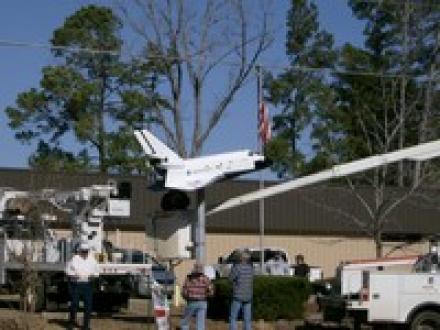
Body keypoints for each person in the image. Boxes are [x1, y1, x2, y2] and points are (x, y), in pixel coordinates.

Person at [66, 242, 99, 330]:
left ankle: (86, 326)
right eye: (83, 251)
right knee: (74, 304)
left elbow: (96, 272)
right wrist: (73, 275)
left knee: (88, 306)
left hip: (87, 285)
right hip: (76, 284)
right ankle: (71, 323)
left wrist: (94, 276)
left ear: (88, 251)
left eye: (86, 251)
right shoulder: (74, 259)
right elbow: (68, 271)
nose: (84, 253)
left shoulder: (92, 260)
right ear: (79, 250)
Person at [180, 263, 214, 330]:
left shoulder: (189, 278)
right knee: (200, 323)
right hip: (203, 302)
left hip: (192, 301)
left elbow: (184, 291)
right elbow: (211, 291)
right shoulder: (206, 279)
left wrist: (186, 297)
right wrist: (206, 295)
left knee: (185, 321)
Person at [229, 250, 254, 330]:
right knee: (247, 319)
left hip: (238, 295)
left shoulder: (237, 267)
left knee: (233, 317)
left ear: (241, 258)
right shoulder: (250, 268)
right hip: (248, 295)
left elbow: (230, 278)